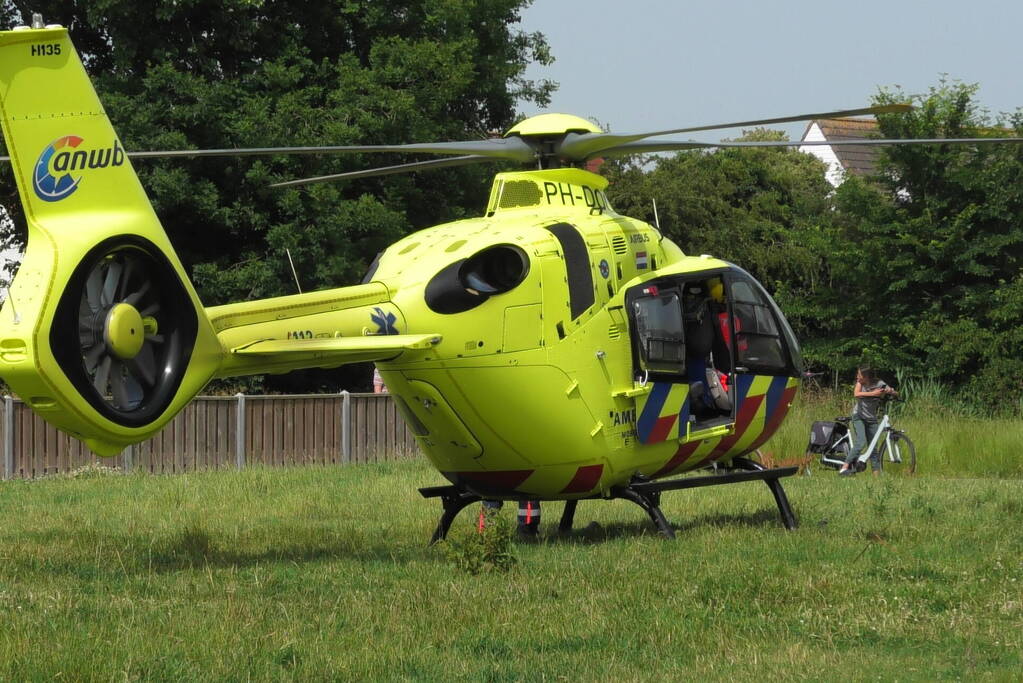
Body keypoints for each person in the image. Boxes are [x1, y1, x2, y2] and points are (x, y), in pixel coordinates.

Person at [838, 366, 897, 476]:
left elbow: (894, 392)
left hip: (871, 419)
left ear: (866, 377)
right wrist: (874, 394)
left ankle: (876, 476)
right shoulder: (860, 383)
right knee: (861, 442)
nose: (857, 377)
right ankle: (844, 468)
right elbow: (856, 394)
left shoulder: (879, 383)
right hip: (859, 417)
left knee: (873, 448)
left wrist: (891, 391)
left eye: (859, 375)